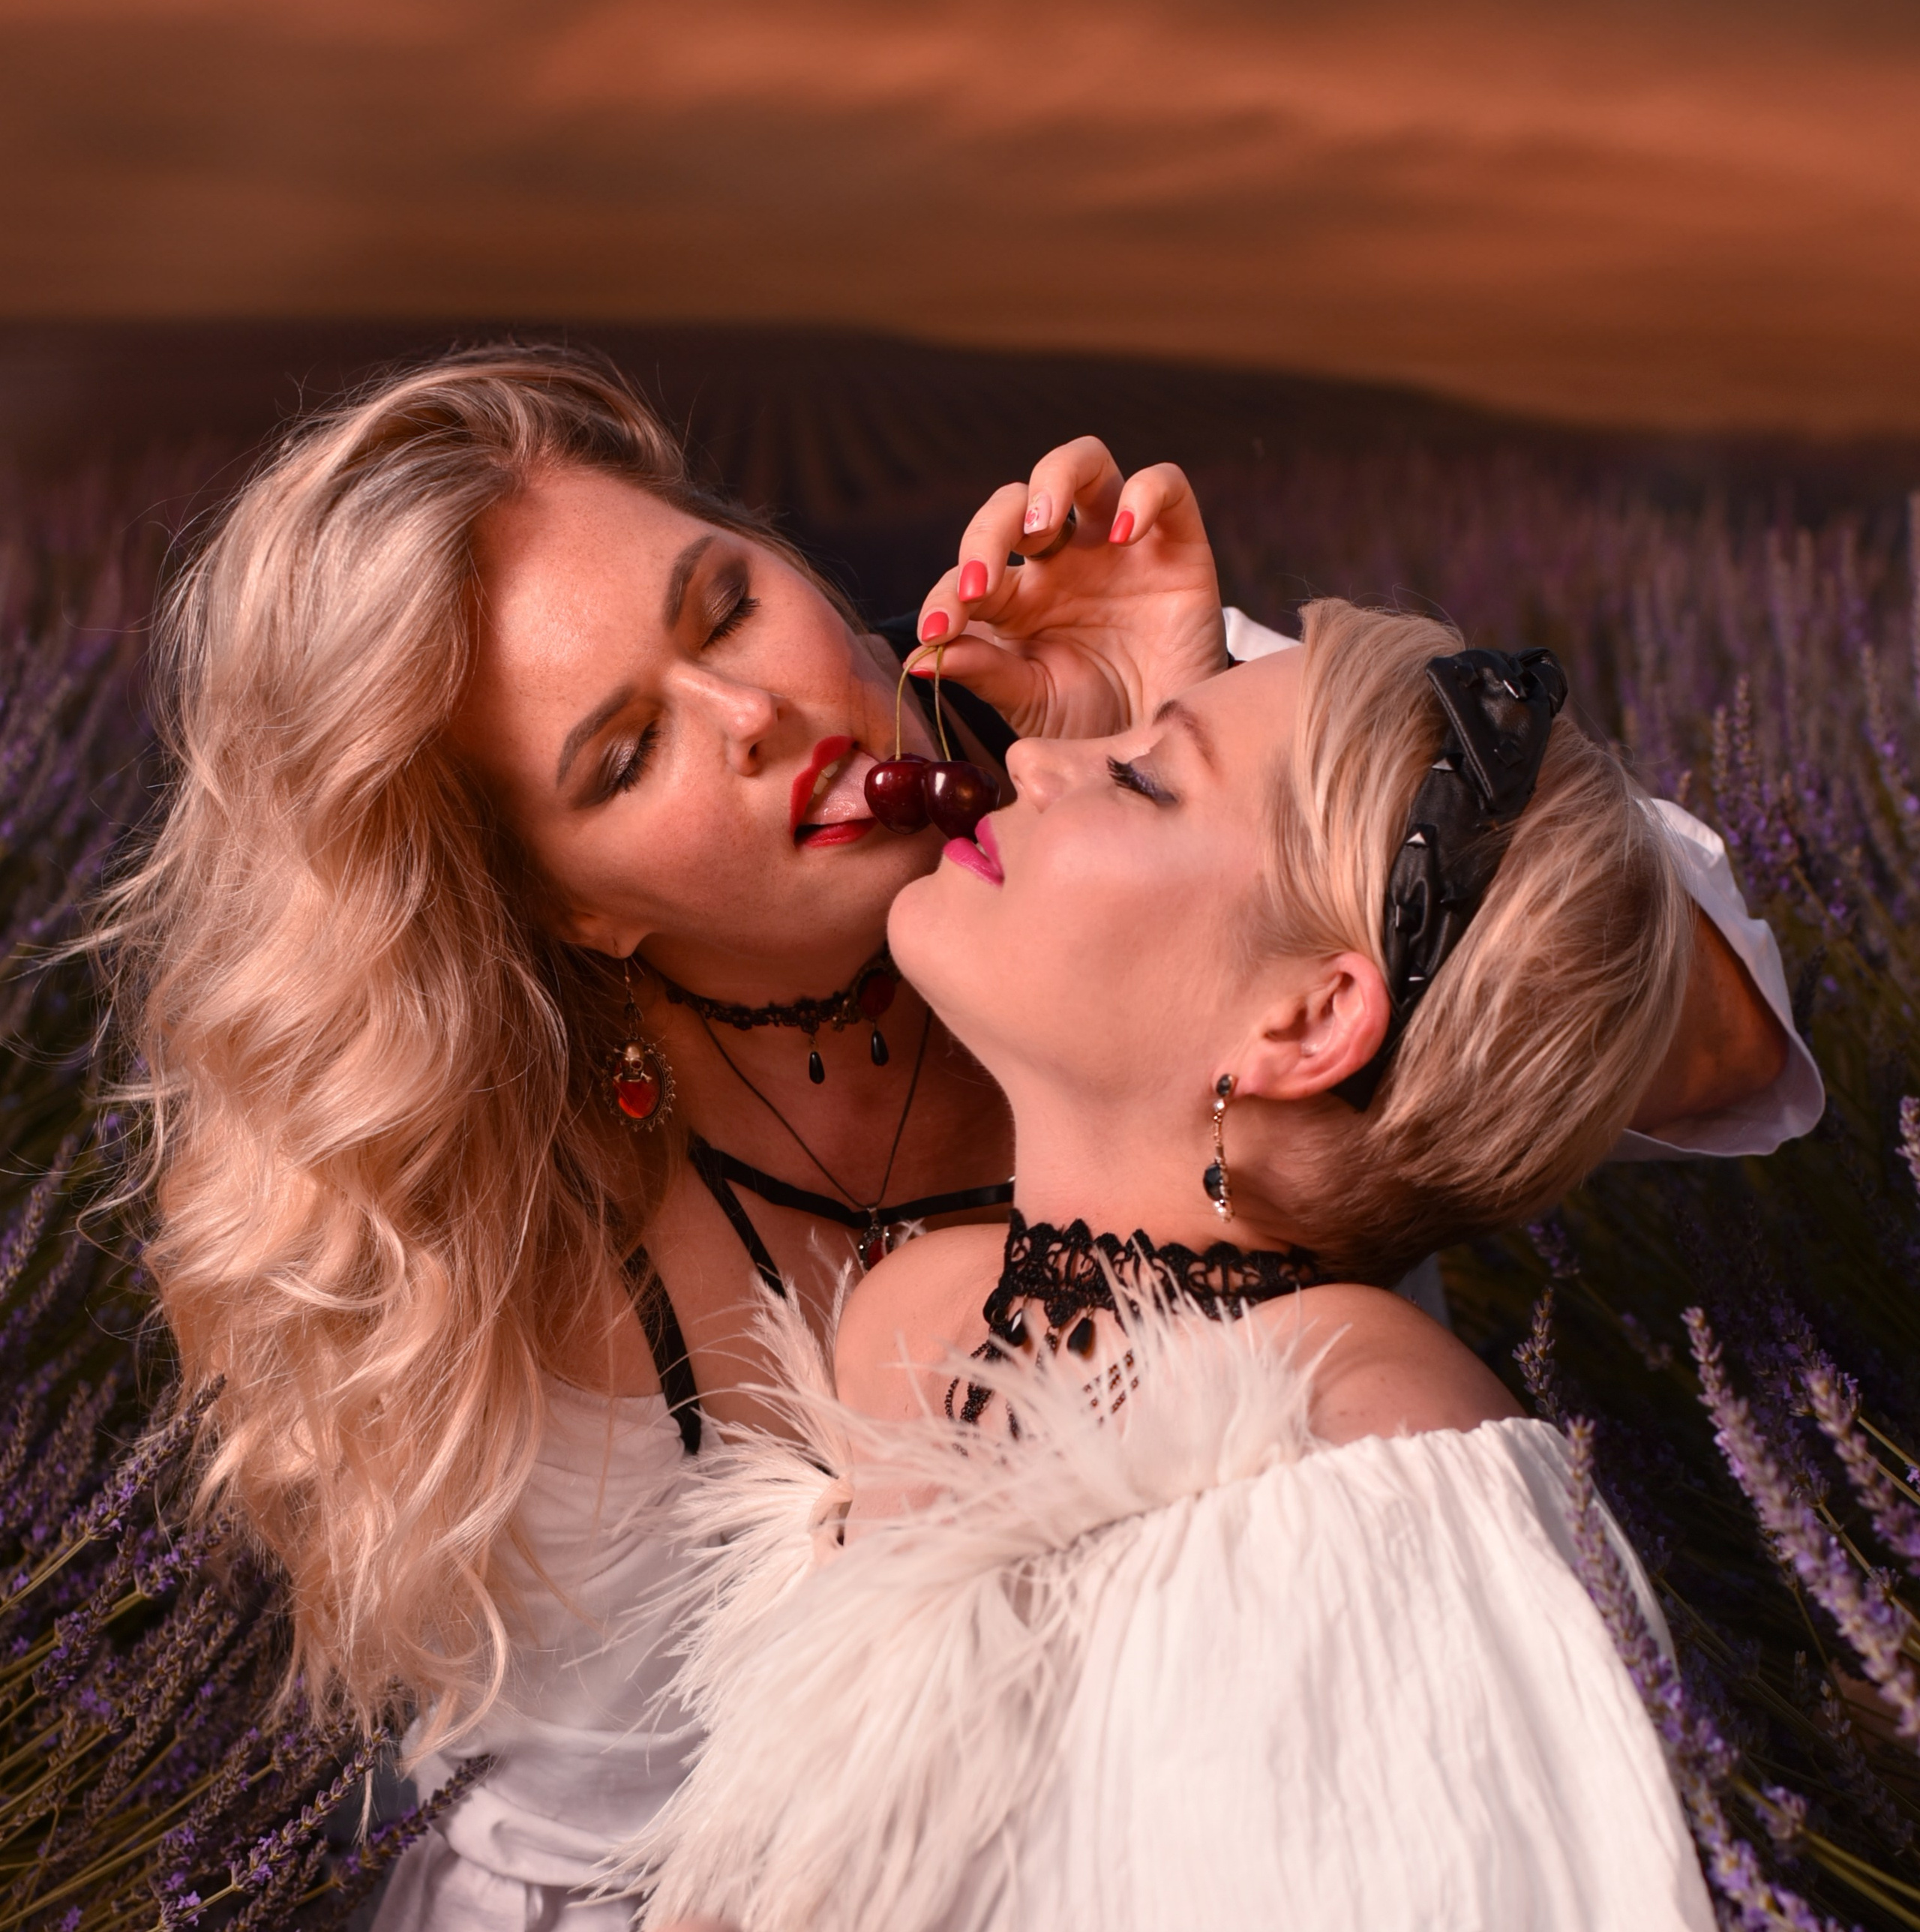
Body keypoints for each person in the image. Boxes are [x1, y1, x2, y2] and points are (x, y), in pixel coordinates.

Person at [97, 349, 1809, 1930]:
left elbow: (1682, 1027)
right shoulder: (517, 1191)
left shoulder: (1099, 790)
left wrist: (1186, 713)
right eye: (625, 753)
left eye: (726, 603)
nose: (753, 710)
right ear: (566, 910)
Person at [620, 610, 1725, 1932]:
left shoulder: (1378, 1450)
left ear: (1310, 1019)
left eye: (1140, 775)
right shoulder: (902, 1323)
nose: (1035, 762)